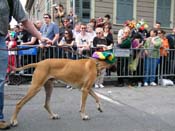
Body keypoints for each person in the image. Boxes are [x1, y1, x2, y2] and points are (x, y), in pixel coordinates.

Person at [0, 0, 50, 129]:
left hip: (0, 39)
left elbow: (24, 20)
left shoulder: (11, 1)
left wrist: (40, 36)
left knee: (0, 80)